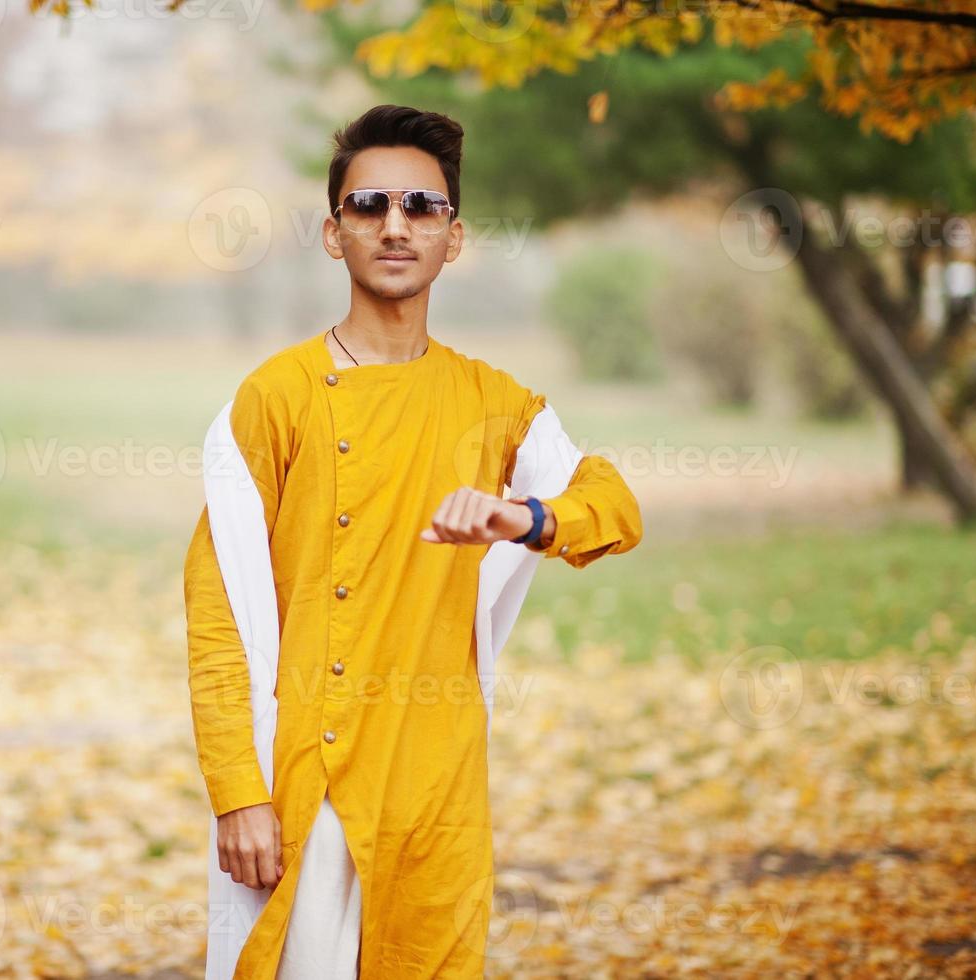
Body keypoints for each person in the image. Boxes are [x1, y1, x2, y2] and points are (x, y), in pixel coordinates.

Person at [183, 103, 643, 978]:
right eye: (369, 206)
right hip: (302, 786)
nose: (395, 226)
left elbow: (614, 506)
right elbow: (215, 614)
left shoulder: (490, 401)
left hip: (437, 788)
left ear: (453, 236)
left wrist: (527, 519)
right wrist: (237, 793)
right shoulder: (274, 398)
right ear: (333, 232)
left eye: (421, 207)